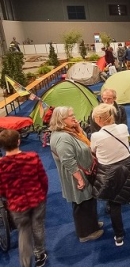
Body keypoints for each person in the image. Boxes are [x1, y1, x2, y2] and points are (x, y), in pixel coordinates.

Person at [90, 104, 130, 247]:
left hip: (110, 173)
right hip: (128, 167)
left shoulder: (96, 136)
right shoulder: (123, 128)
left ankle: (119, 236)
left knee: (114, 203)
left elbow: (93, 151)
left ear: (98, 119)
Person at [49, 106, 103, 242]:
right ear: (61, 120)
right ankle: (85, 233)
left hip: (84, 173)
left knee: (88, 201)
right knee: (82, 204)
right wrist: (79, 179)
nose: (74, 117)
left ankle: (92, 225)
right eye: (70, 116)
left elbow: (84, 143)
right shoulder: (63, 138)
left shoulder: (70, 132)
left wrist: (79, 129)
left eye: (73, 114)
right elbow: (68, 161)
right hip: (76, 176)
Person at [0, 129, 48, 267]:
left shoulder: (1, 165)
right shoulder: (32, 157)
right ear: (18, 141)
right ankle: (40, 254)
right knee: (38, 226)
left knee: (23, 231)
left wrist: (8, 196)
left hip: (17, 203)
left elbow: (1, 188)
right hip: (37, 198)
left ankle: (25, 263)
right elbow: (43, 178)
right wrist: (43, 193)